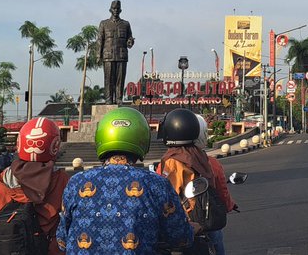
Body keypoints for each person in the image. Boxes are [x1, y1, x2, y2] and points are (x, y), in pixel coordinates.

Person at [58, 107, 194, 254]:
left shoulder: (77, 182)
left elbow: (62, 241)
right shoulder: (156, 184)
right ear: (143, 139)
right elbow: (181, 238)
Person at [0, 117, 71, 255]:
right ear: (54, 145)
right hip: (48, 248)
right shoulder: (61, 180)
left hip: (11, 247)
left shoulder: (3, 179)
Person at [157, 108, 222, 254]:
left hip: (187, 220)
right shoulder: (199, 155)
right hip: (203, 216)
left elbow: (169, 195)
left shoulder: (174, 160)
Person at [193, 114, 237, 255]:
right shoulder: (211, 163)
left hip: (176, 220)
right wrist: (229, 205)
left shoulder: (166, 163)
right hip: (203, 219)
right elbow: (222, 192)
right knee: (216, 238)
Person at [97, 0, 135, 104]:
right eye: (114, 9)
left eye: (118, 9)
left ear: (120, 10)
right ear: (110, 10)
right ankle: (108, 99)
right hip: (108, 55)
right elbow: (100, 40)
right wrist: (98, 55)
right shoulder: (104, 24)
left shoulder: (125, 24)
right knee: (108, 79)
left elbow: (130, 38)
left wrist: (130, 41)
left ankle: (119, 98)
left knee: (120, 79)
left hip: (121, 56)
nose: (116, 10)